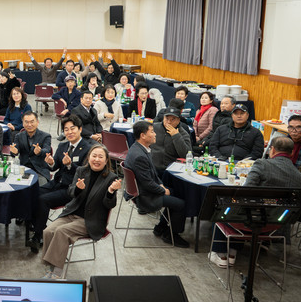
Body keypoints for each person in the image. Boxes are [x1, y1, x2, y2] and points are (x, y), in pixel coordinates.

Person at [209, 136, 301, 268]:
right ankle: (233, 251)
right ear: (292, 152)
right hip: (277, 226)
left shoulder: (262, 164)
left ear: (272, 150)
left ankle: (221, 254)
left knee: (223, 208)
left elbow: (245, 193)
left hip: (250, 221)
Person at [41, 145, 121, 279]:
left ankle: (56, 273)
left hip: (90, 220)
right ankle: (51, 267)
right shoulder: (81, 171)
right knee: (48, 231)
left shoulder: (111, 178)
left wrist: (111, 191)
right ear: (89, 158)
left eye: (100, 157)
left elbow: (109, 204)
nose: (97, 159)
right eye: (94, 156)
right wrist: (78, 189)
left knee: (61, 232)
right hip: (72, 213)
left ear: (106, 160)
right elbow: (71, 192)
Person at [29, 116, 93, 252]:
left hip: (72, 189)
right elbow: (55, 167)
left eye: (72, 129)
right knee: (32, 193)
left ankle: (38, 236)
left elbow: (85, 173)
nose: (69, 132)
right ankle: (38, 226)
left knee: (43, 200)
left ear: (80, 129)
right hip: (57, 183)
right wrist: (51, 162)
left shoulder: (88, 149)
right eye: (66, 129)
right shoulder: (63, 145)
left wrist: (70, 165)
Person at [124, 120, 189, 248]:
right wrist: (163, 190)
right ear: (143, 135)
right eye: (152, 132)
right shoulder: (139, 156)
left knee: (177, 192)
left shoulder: (139, 149)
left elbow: (152, 174)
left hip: (146, 190)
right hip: (145, 196)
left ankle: (161, 227)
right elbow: (147, 183)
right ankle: (172, 235)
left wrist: (161, 185)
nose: (155, 134)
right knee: (181, 204)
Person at [8, 111, 51, 182]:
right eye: (26, 122)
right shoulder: (19, 136)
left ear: (37, 122)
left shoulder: (45, 136)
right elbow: (15, 150)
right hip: (23, 170)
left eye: (32, 122)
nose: (29, 125)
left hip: (39, 170)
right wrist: (14, 152)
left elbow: (47, 150)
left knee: (41, 186)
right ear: (23, 123)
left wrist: (40, 151)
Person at [150, 107, 192, 173]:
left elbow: (186, 154)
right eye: (167, 118)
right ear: (163, 118)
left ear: (178, 120)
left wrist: (176, 136)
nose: (169, 122)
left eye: (173, 119)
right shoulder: (154, 128)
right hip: (152, 166)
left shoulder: (183, 133)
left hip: (170, 170)